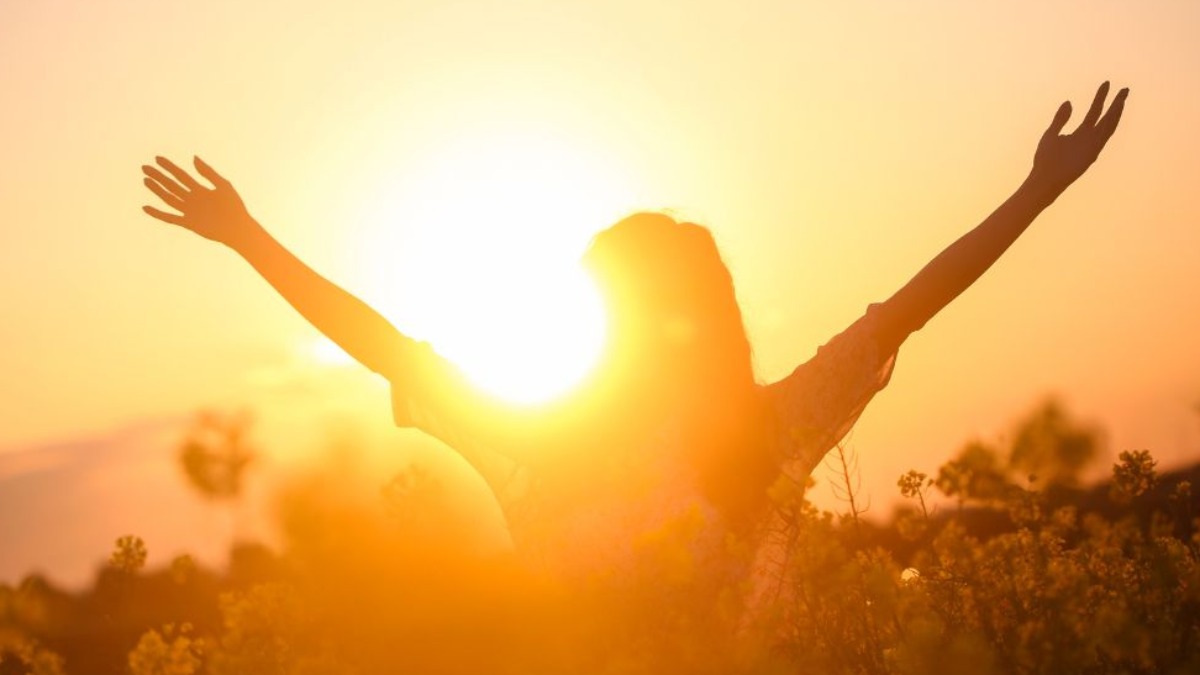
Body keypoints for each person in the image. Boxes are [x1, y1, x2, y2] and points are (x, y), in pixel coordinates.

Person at [141, 82, 1127, 611]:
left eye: (620, 305)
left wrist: (1038, 192)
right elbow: (387, 346)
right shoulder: (571, 441)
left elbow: (912, 304)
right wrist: (250, 238)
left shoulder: (760, 432)